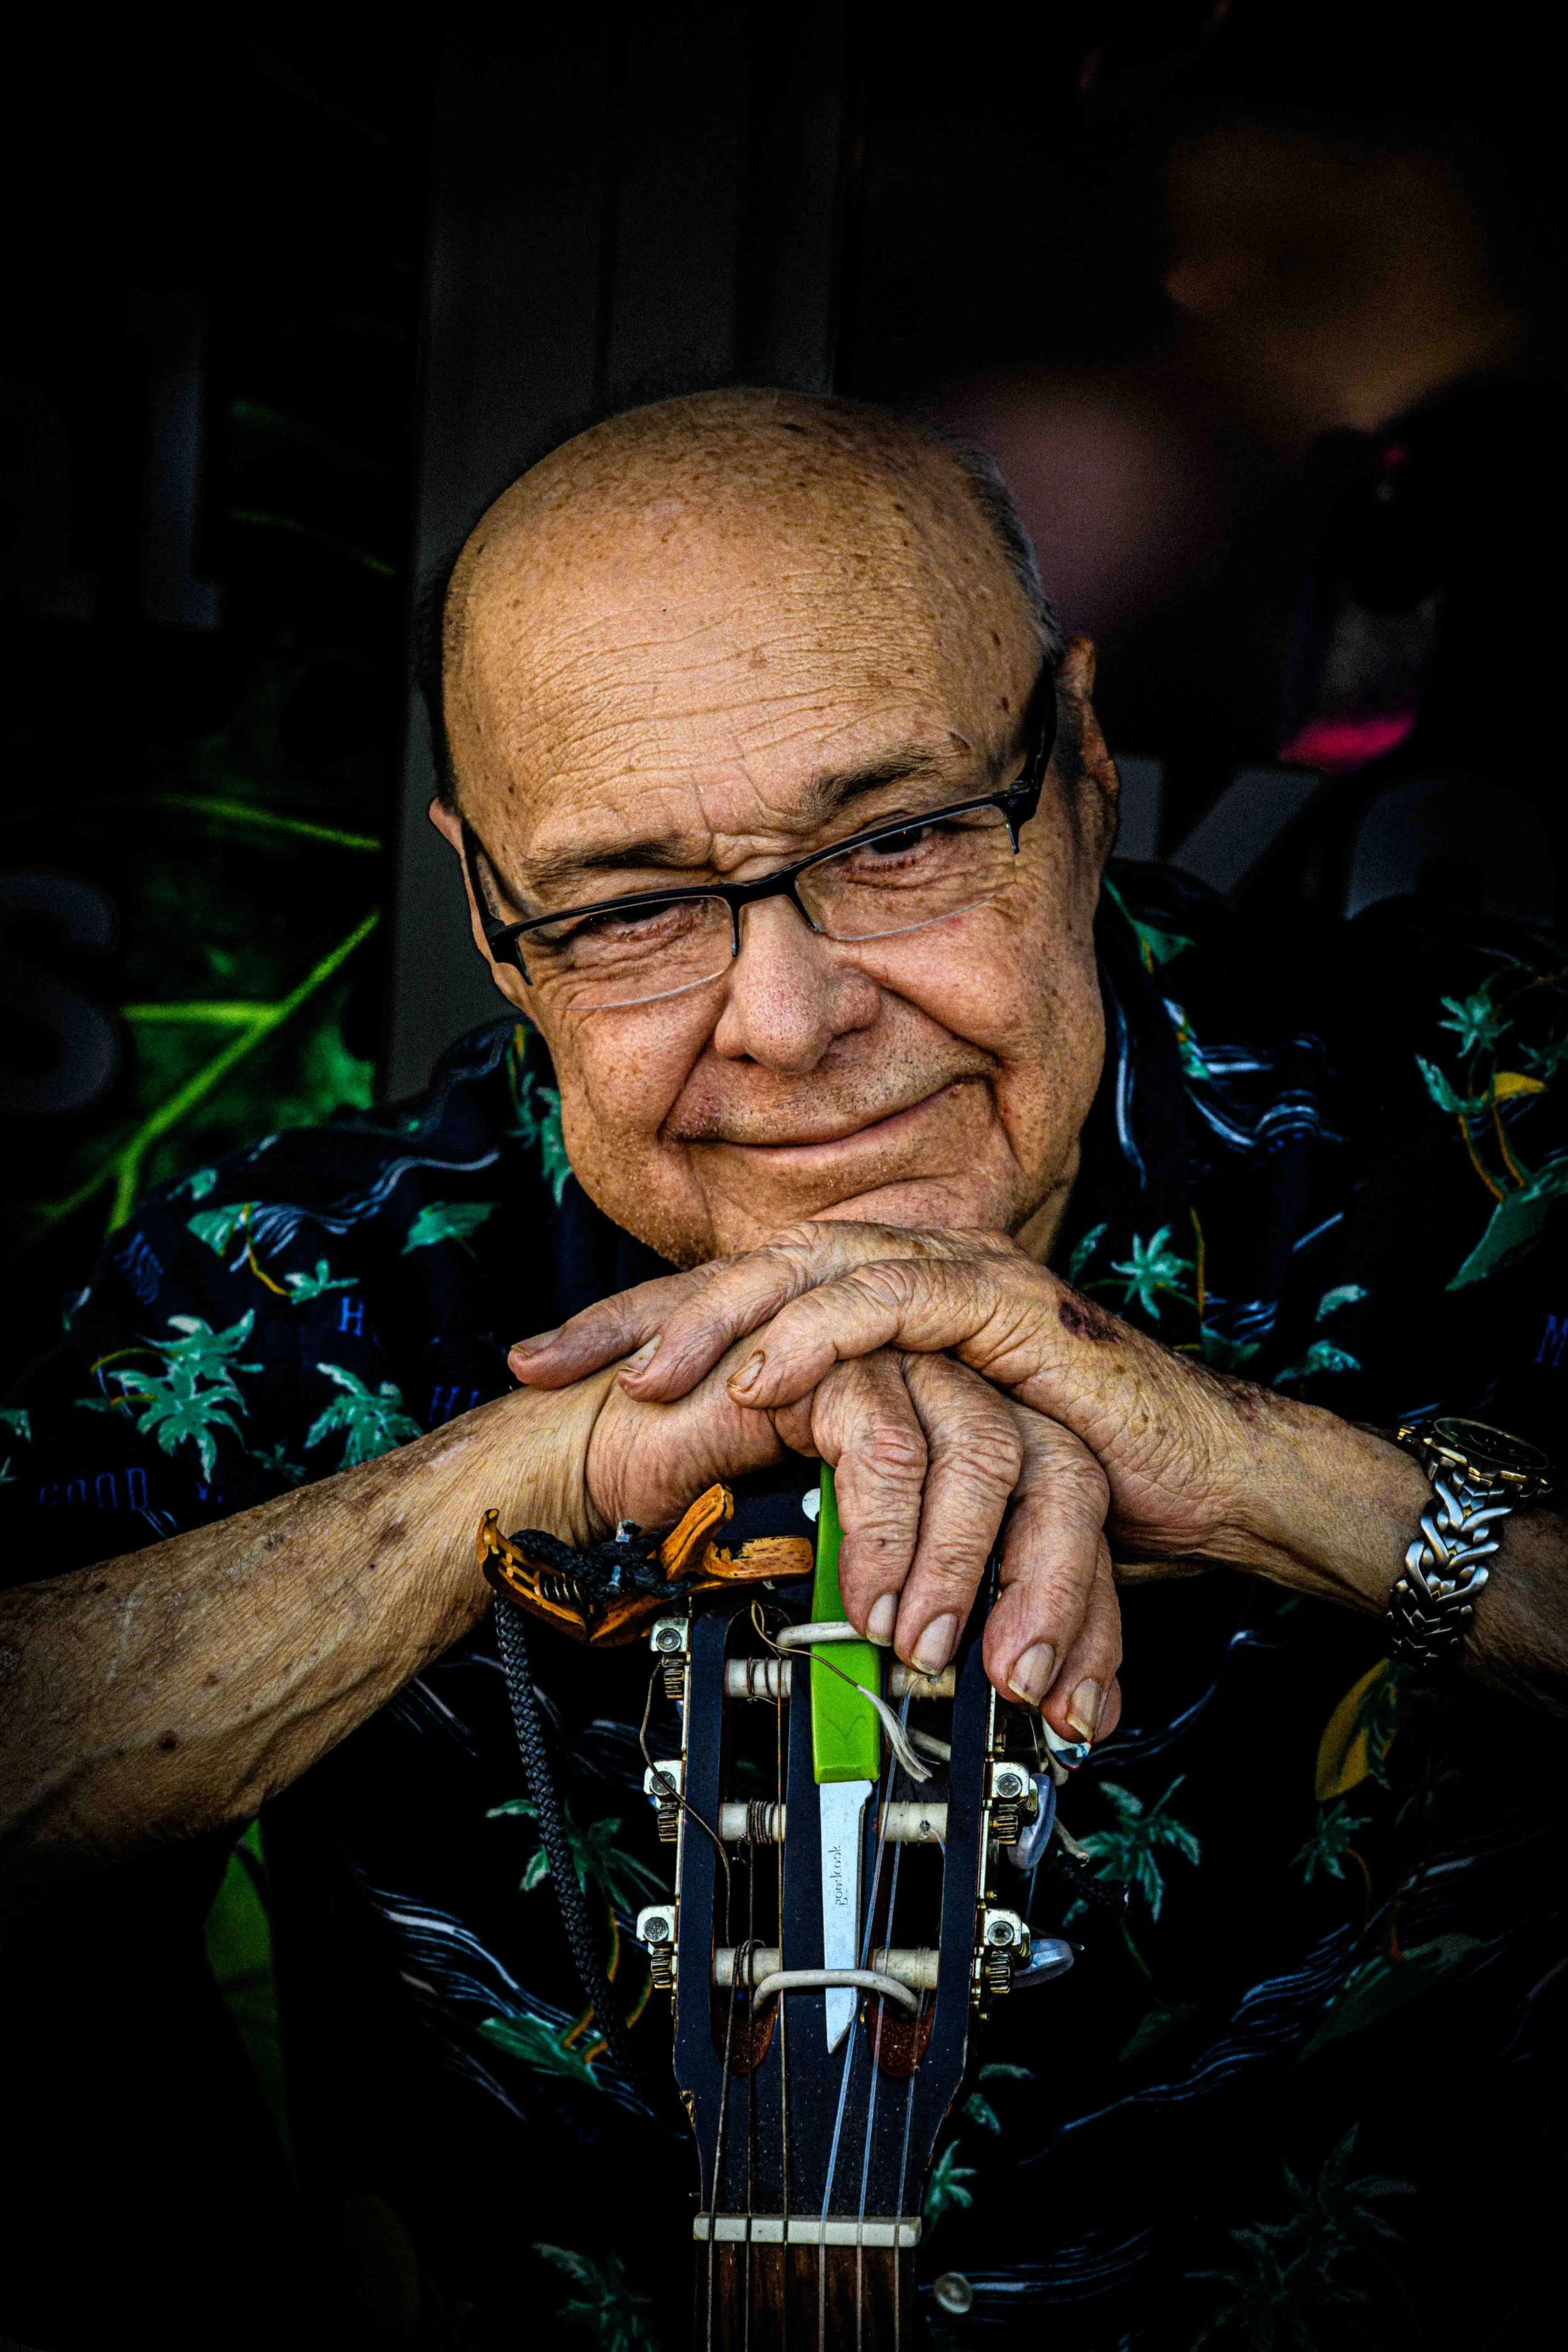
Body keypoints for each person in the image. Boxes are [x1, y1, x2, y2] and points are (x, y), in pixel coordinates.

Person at [3, 389, 1564, 2347]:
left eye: (899, 837)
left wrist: (1287, 1480)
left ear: (1077, 759)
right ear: (492, 912)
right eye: (631, 907)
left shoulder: (1495, 1121)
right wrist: (504, 1479)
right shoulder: (285, 1278)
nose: (791, 1015)